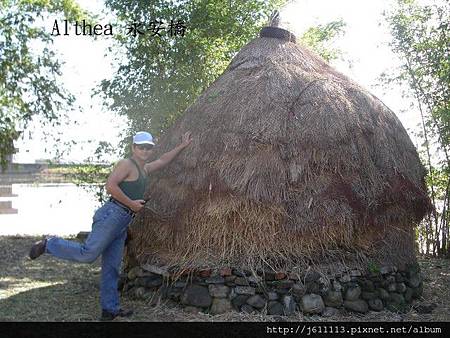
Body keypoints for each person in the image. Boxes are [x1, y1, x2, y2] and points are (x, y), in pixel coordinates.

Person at [29, 131, 192, 321]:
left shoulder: (144, 169)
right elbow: (111, 186)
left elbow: (163, 160)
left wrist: (182, 145)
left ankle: (110, 309)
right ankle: (49, 244)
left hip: (122, 221)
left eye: (148, 147)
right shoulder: (126, 164)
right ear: (133, 148)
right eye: (141, 147)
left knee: (111, 267)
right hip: (112, 214)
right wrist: (132, 204)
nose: (145, 150)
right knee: (88, 254)